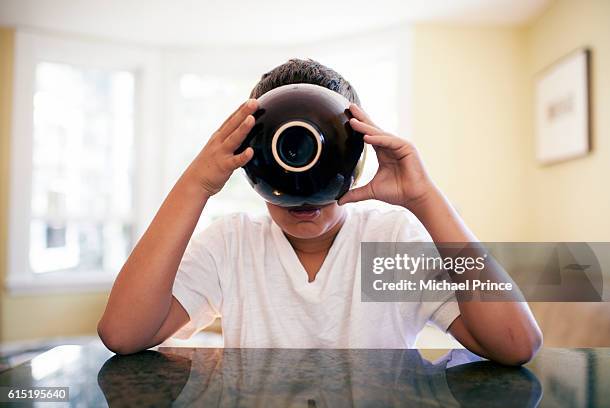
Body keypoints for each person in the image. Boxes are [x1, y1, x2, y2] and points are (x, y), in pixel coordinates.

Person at [98, 59, 542, 365]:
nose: (303, 187)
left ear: (356, 156)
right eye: (286, 151)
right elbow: (122, 333)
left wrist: (424, 197)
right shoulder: (232, 244)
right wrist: (196, 183)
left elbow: (516, 344)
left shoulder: (391, 240)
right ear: (249, 159)